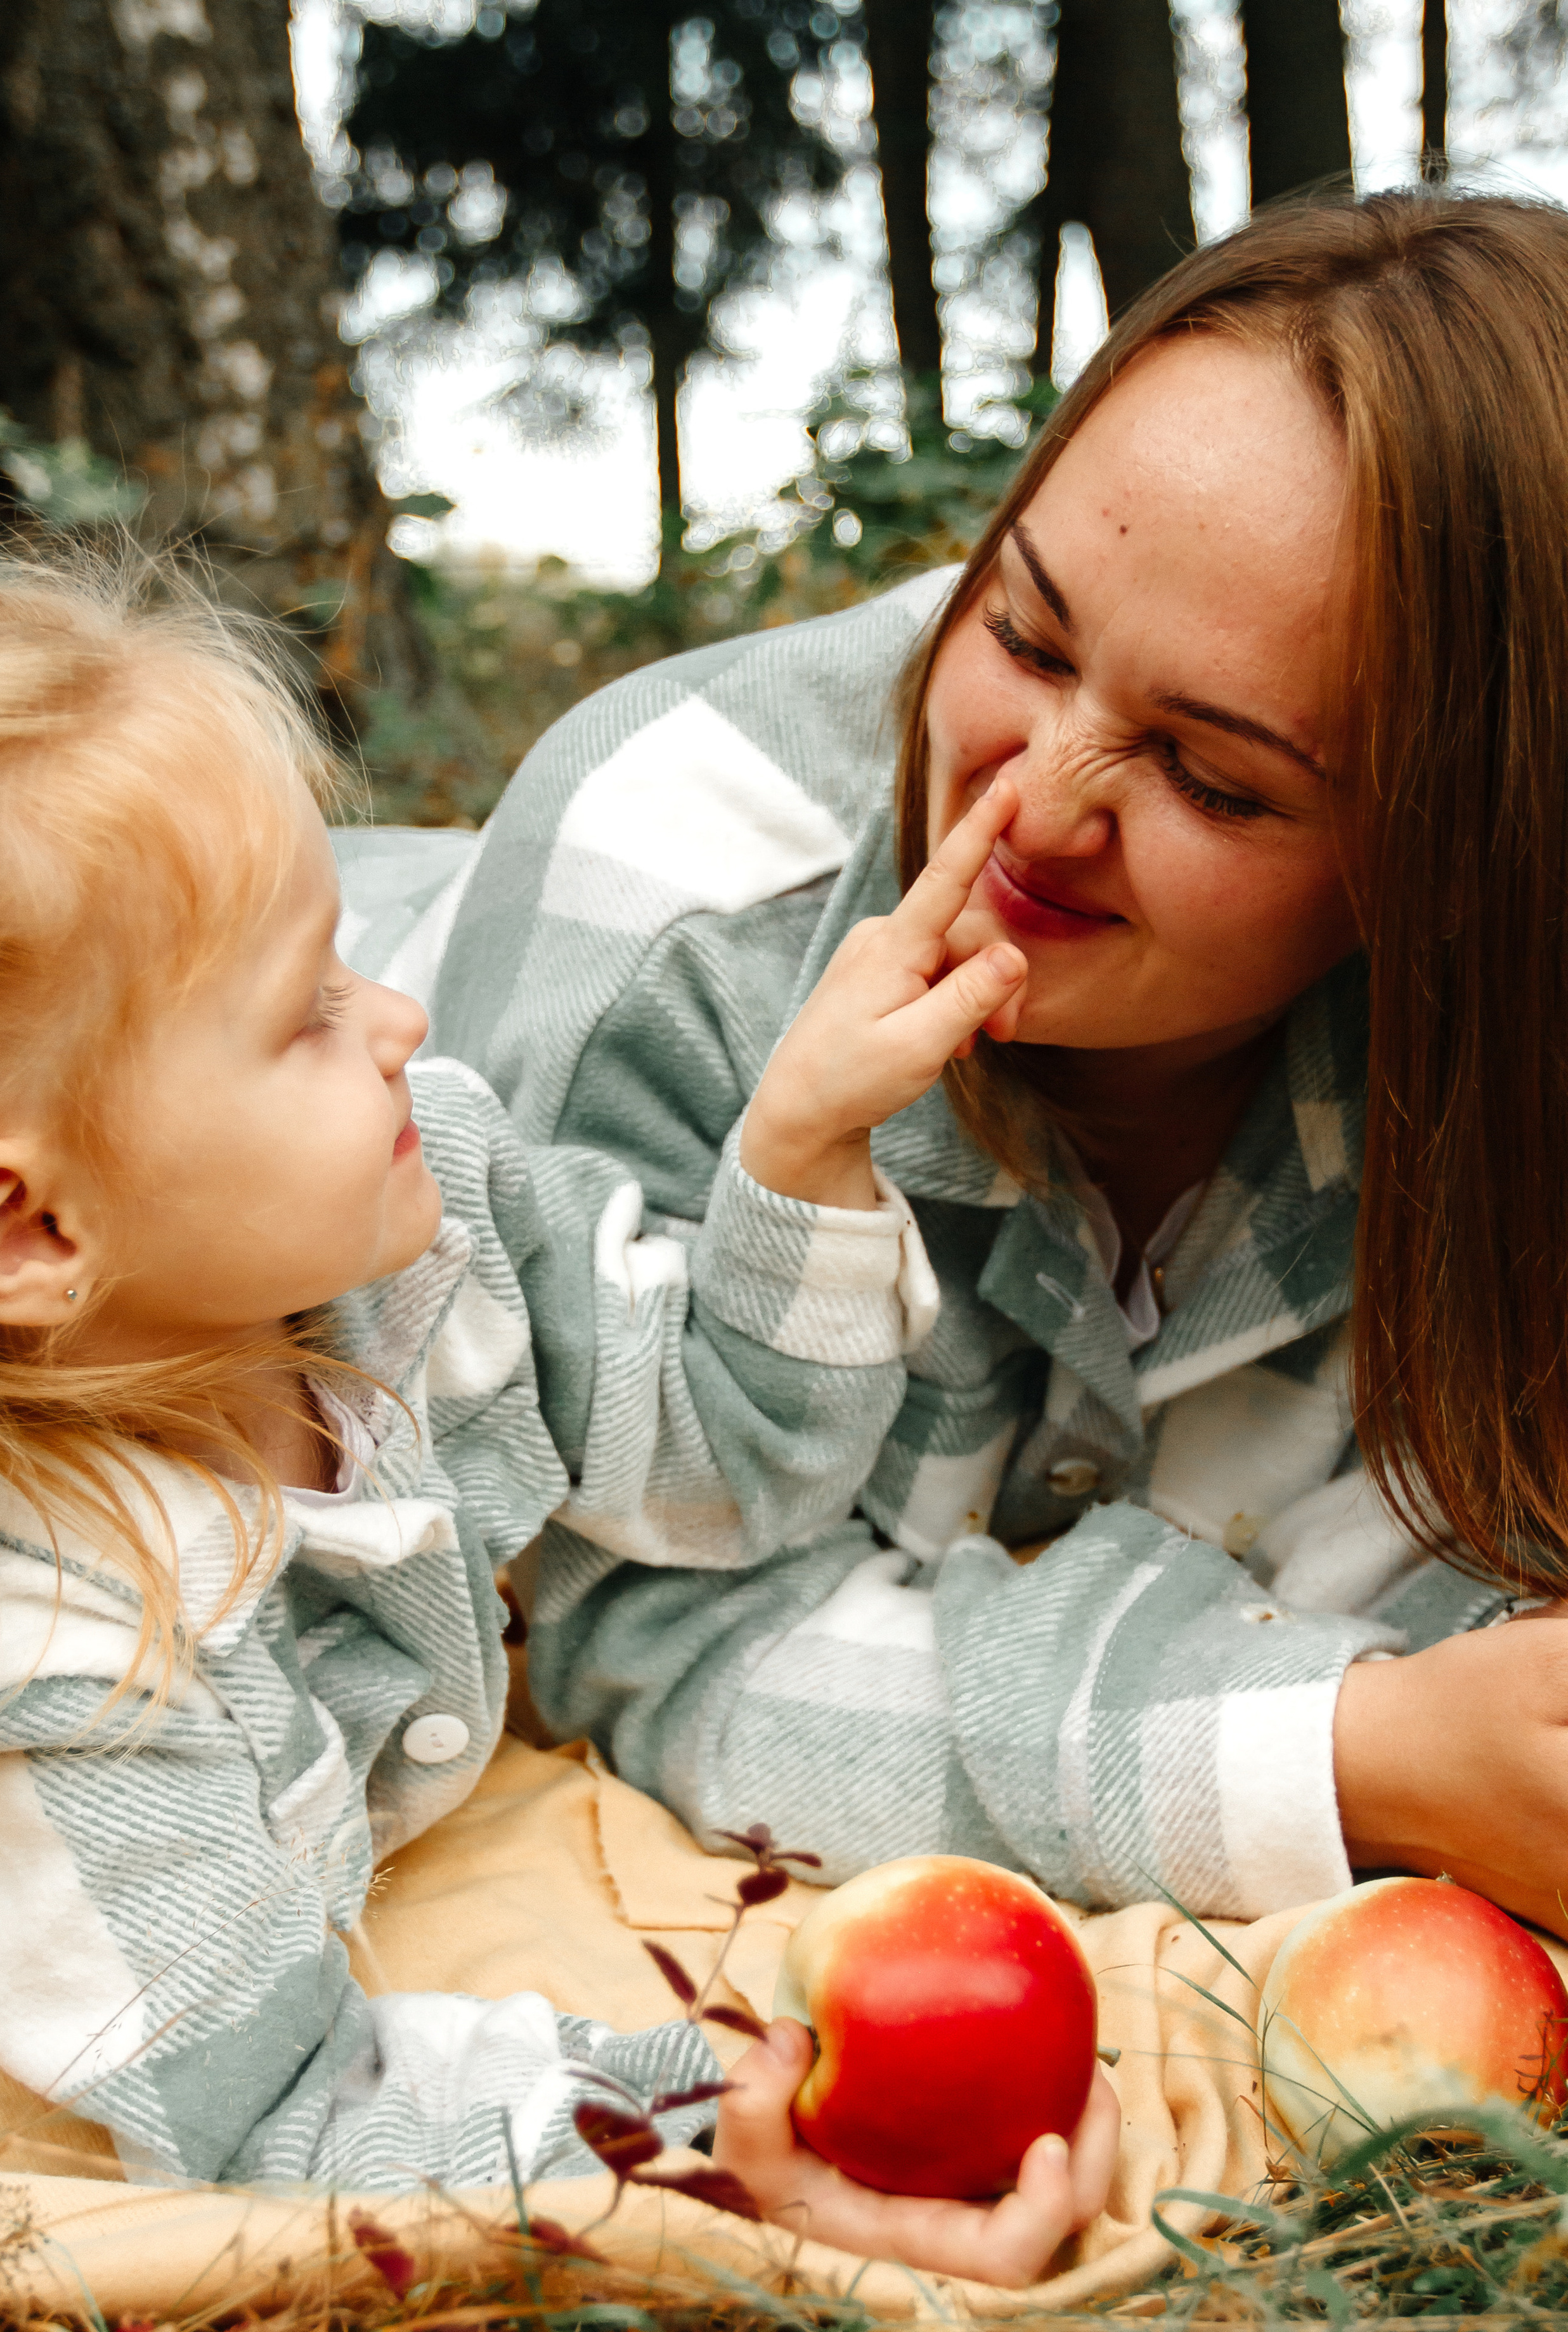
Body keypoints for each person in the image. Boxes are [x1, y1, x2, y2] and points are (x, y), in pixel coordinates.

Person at [384, 186, 1568, 1940]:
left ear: (1465, 868)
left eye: (1213, 778)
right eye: (1021, 631)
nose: (1030, 803)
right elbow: (626, 1630)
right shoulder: (674, 909)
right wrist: (1338, 1755)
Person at [0, 553, 1117, 2279]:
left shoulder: (417, 1231)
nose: (401, 1017)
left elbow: (733, 1477)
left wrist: (797, 1153)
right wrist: (715, 2125)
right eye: (307, 1014)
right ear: (36, 1234)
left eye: (351, 953)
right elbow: (290, 2123)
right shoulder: (48, 1669)